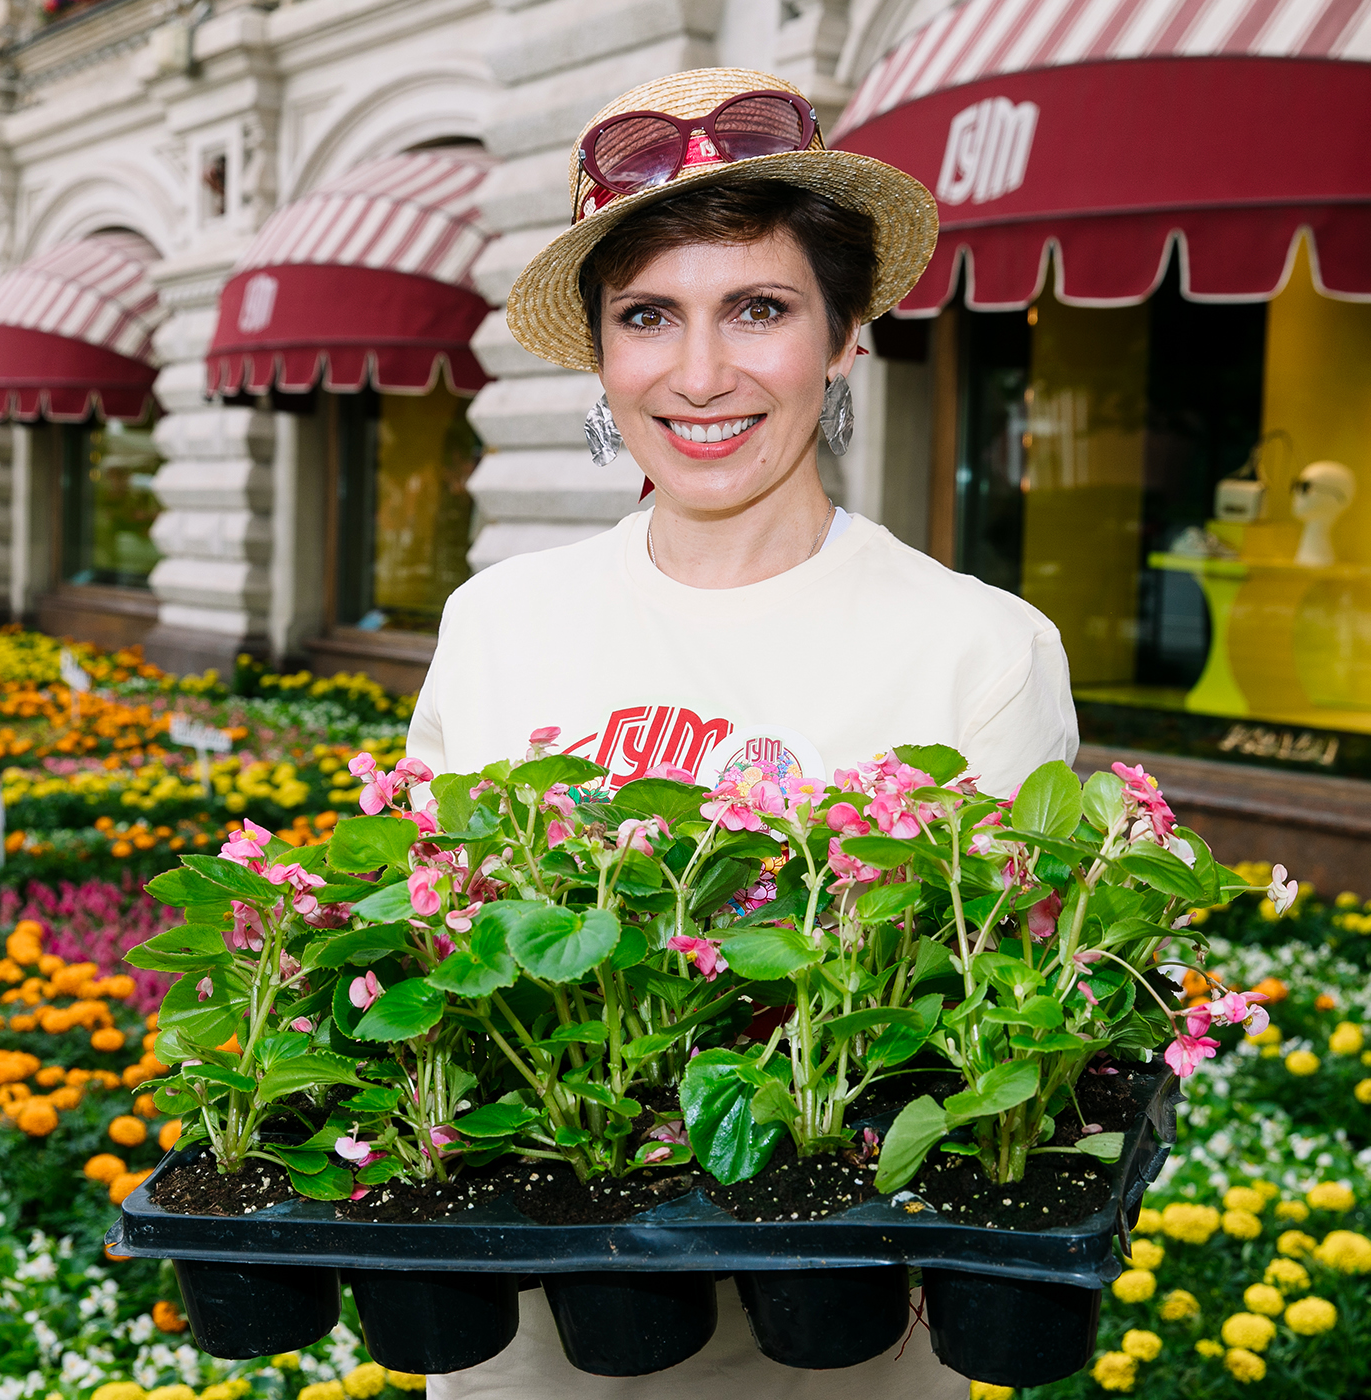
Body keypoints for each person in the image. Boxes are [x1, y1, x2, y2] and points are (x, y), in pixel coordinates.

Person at [413, 66, 1078, 1400]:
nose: (700, 374)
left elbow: (1015, 1043)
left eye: (759, 309)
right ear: (602, 353)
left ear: (845, 336)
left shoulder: (980, 649)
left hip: (840, 1353)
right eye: (648, 315)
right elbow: (428, 979)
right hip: (534, 1355)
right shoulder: (499, 623)